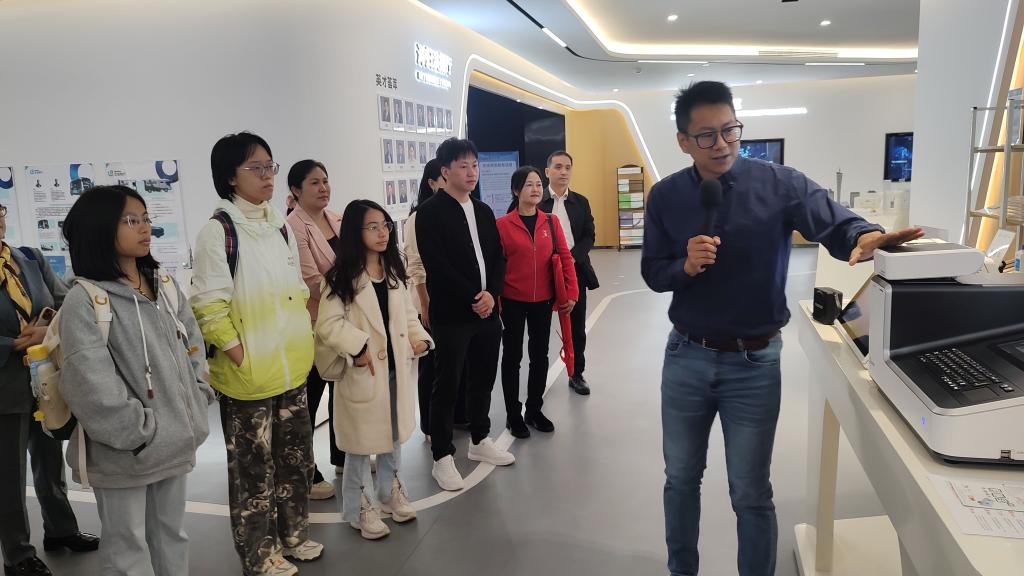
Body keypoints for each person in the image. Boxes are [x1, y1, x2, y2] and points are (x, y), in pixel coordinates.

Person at [641, 81, 923, 576]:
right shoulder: (666, 197)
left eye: (729, 130)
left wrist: (865, 235)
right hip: (686, 357)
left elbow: (833, 222)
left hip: (754, 364)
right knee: (680, 479)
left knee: (751, 492)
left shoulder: (780, 184)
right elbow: (652, 271)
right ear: (683, 141)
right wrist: (683, 266)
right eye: (706, 135)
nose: (722, 144)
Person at [58, 185, 215, 576]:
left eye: (145, 218)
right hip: (126, 451)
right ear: (100, 228)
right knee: (127, 549)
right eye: (131, 220)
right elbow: (90, 383)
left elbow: (193, 344)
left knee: (171, 536)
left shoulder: (163, 285)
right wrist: (139, 431)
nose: (145, 227)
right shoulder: (85, 299)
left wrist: (197, 396)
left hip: (174, 442)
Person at [190, 132, 322, 576]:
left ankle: (294, 536)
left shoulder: (278, 224)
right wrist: (239, 354)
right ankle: (259, 554)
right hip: (248, 377)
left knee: (296, 462)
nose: (268, 176)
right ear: (230, 177)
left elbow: (295, 288)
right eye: (256, 168)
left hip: (291, 368)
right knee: (253, 473)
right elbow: (208, 306)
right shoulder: (219, 232)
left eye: (270, 166)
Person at [315, 199, 432, 540]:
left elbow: (407, 315)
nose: (383, 233)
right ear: (356, 232)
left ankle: (390, 491)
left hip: (395, 371)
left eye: (386, 225)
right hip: (362, 373)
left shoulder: (393, 273)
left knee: (392, 437)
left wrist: (419, 338)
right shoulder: (340, 279)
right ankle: (359, 506)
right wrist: (359, 347)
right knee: (359, 445)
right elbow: (328, 325)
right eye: (373, 227)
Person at [0, 203, 97, 576]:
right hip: (5, 385)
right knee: (9, 475)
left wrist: (49, 326)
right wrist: (10, 343)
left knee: (50, 460)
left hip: (43, 380)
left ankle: (61, 529)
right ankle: (17, 553)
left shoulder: (29, 258)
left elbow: (63, 303)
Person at [416, 138, 513, 492]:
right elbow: (437, 266)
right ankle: (442, 456)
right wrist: (475, 296)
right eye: (463, 166)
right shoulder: (430, 213)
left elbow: (498, 258)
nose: (472, 172)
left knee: (483, 379)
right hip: (452, 314)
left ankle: (479, 439)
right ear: (445, 171)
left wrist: (492, 294)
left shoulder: (483, 210)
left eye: (474, 165)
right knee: (447, 384)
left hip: (487, 312)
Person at [495, 167, 577, 438]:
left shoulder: (551, 222)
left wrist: (572, 291)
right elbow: (496, 266)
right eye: (529, 185)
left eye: (539, 184)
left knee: (540, 356)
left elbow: (565, 257)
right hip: (512, 301)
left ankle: (534, 410)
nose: (535, 189)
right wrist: (495, 298)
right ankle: (513, 414)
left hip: (543, 300)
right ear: (516, 190)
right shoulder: (502, 225)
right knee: (512, 357)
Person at [286, 159, 344, 500]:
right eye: (314, 183)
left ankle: (342, 454)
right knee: (310, 397)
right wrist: (354, 295)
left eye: (325, 180)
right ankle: (305, 471)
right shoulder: (293, 227)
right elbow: (311, 280)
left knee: (341, 391)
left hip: (343, 320)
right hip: (314, 324)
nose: (323, 188)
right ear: (295, 190)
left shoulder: (336, 218)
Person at [403, 160, 471, 439]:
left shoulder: (461, 213)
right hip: (429, 299)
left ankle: (459, 415)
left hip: (455, 298)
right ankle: (430, 424)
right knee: (433, 365)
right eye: (445, 179)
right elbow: (416, 265)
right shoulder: (419, 217)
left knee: (457, 361)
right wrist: (425, 304)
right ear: (432, 183)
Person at [539, 151, 598, 396]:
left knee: (576, 326)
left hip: (575, 270)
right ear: (547, 171)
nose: (563, 172)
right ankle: (538, 376)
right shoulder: (536, 200)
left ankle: (576, 373)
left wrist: (571, 259)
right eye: (558, 167)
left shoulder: (581, 202)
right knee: (540, 327)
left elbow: (589, 235)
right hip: (542, 273)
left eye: (567, 167)